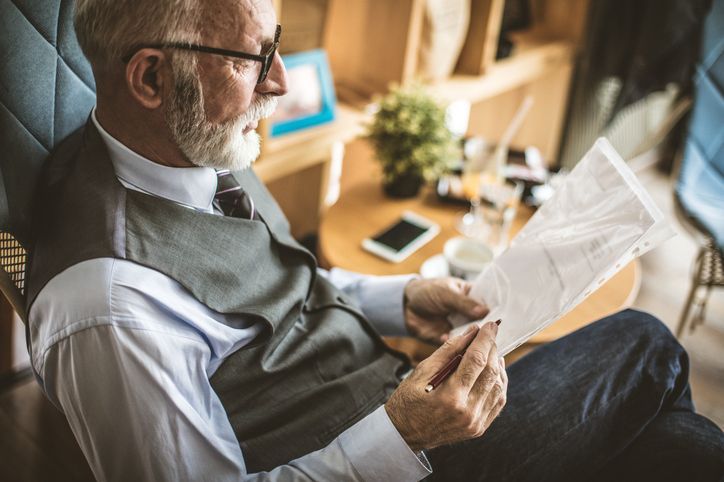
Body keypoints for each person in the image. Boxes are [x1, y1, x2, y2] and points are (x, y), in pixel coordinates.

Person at [26, 0, 724, 480]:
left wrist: (401, 298)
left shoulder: (192, 149)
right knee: (643, 343)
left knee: (686, 452)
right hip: (397, 459)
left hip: (389, 404)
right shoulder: (109, 310)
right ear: (150, 76)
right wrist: (405, 432)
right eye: (250, 59)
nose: (281, 81)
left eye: (278, 46)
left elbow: (275, 289)